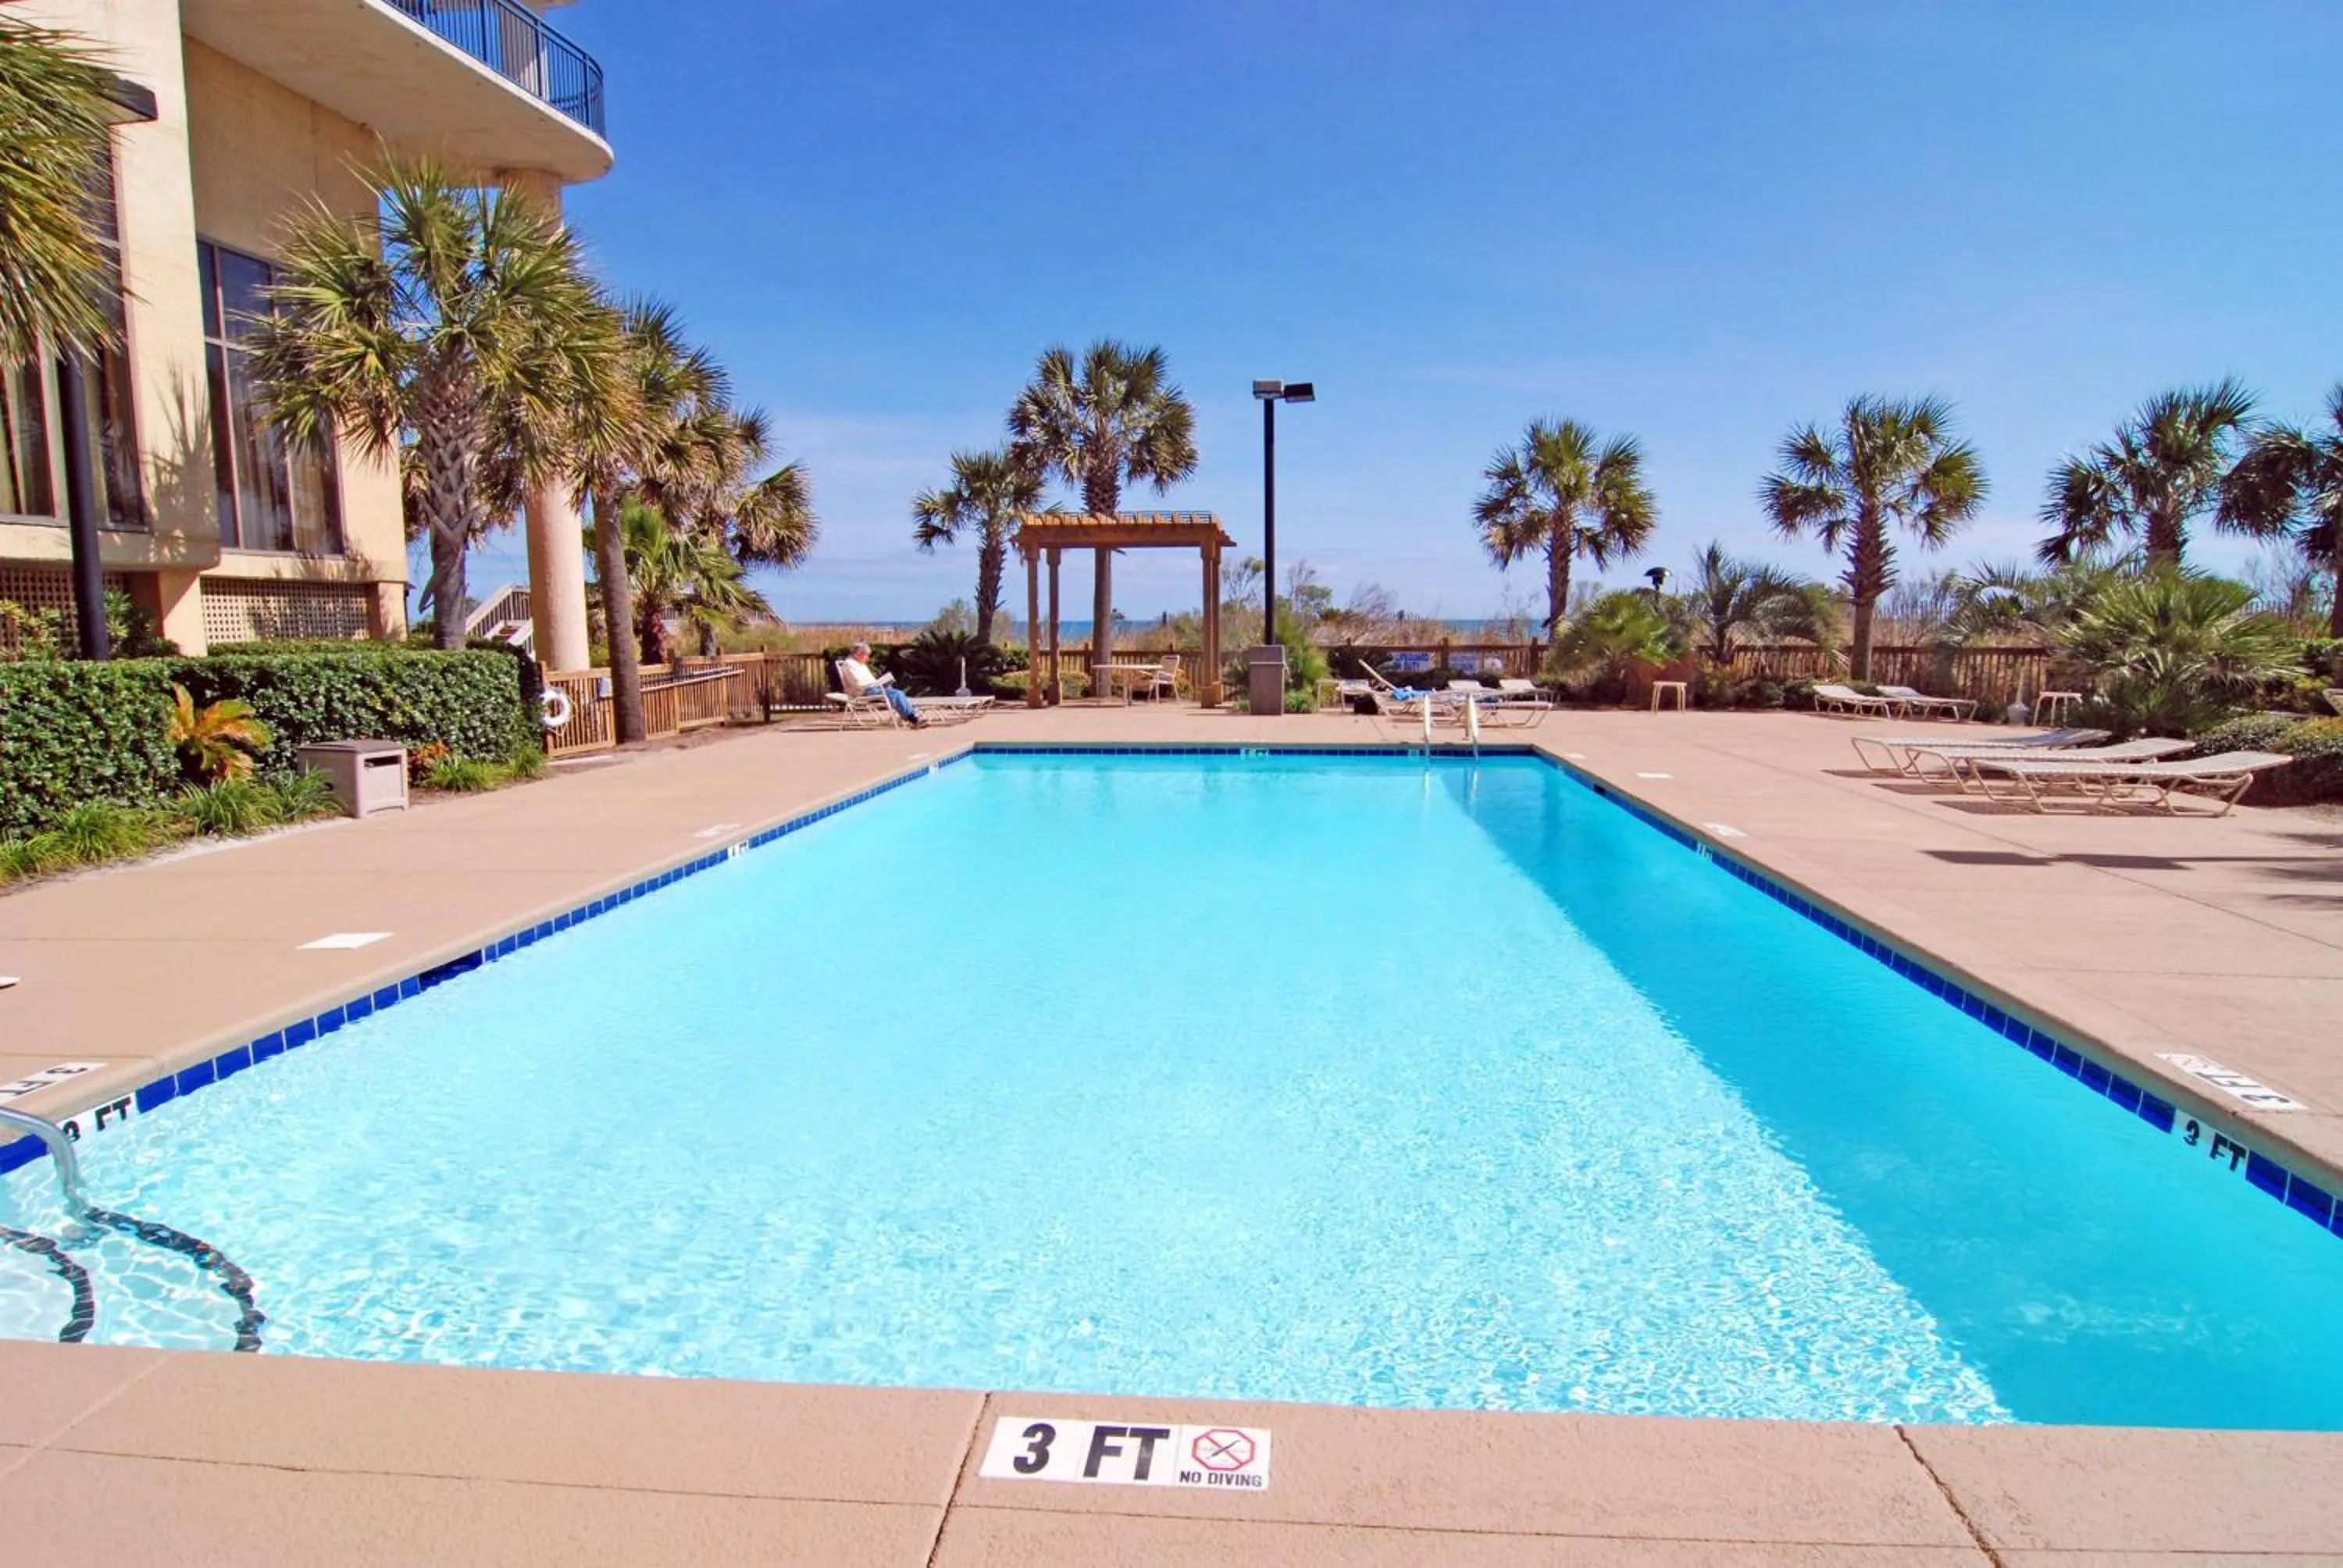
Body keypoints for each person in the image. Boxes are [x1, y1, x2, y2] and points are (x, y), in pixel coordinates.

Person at [840, 642, 922, 725]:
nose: (867, 658)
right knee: (896, 694)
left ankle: (913, 716)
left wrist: (881, 683)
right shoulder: (849, 665)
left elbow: (870, 680)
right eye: (866, 655)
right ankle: (913, 718)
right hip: (863, 692)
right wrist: (877, 684)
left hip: (871, 689)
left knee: (899, 692)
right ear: (858, 654)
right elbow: (858, 683)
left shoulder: (860, 664)